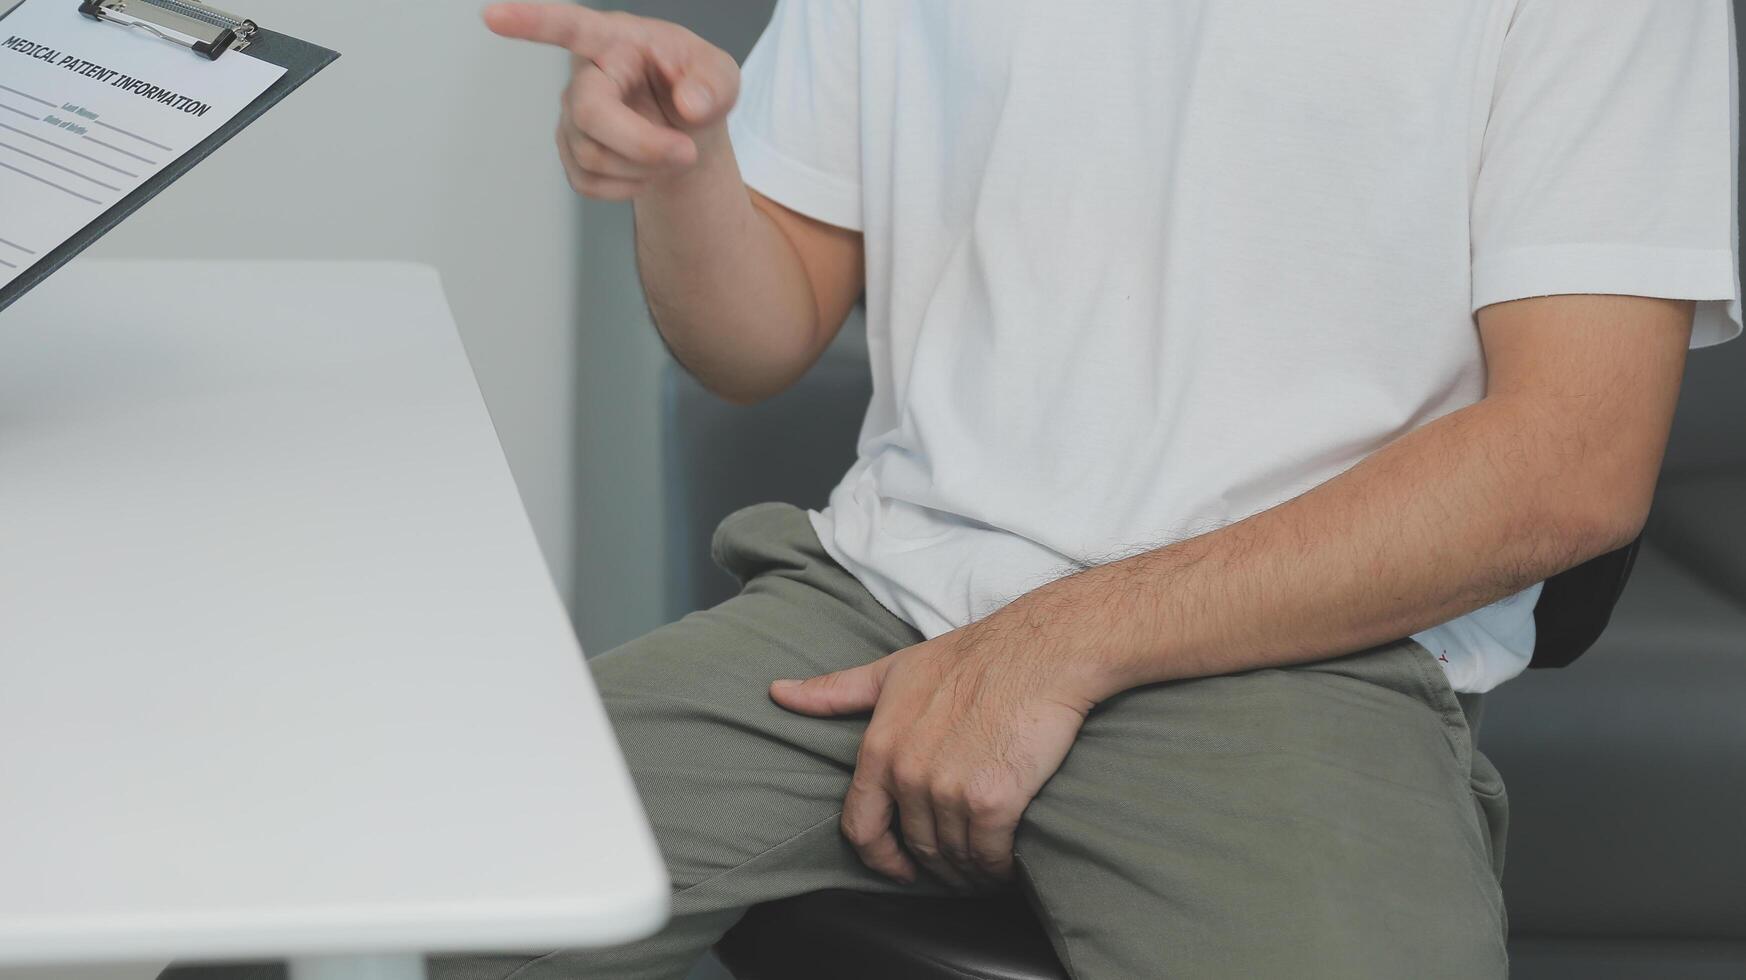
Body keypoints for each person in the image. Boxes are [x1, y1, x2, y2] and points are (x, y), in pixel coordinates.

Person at [164, 1, 1742, 977]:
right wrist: (685, 174)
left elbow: (1564, 467)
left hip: (1292, 661)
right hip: (880, 609)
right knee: (309, 923)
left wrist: (1054, 646)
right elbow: (756, 334)